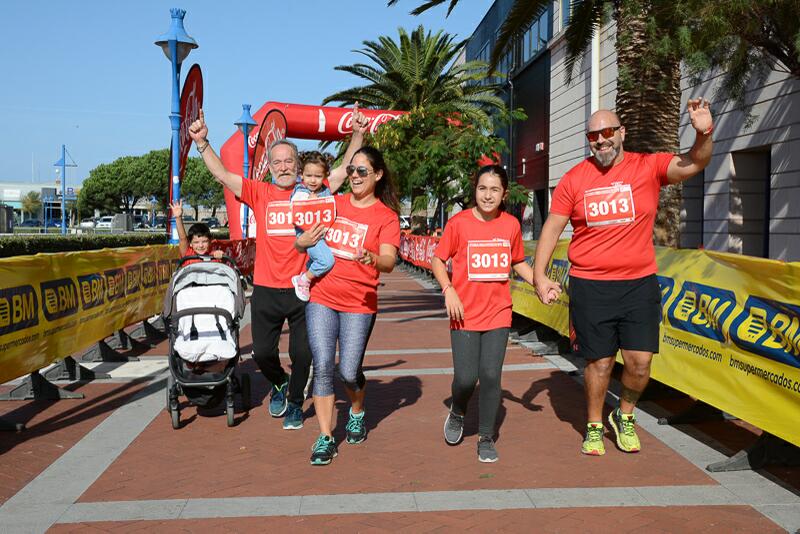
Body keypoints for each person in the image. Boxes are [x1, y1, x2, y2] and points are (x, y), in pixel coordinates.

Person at [533, 99, 713, 456]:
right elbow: (552, 228)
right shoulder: (575, 179)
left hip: (638, 284)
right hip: (590, 284)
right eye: (593, 135)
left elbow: (695, 162)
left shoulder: (647, 166)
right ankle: (595, 426)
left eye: (607, 132)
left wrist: (703, 131)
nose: (600, 140)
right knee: (599, 362)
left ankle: (625, 415)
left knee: (640, 362)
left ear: (621, 133)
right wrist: (539, 276)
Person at [188, 104, 369, 431]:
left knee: (303, 354)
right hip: (267, 287)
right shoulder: (259, 191)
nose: (283, 167)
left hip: (305, 287)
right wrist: (202, 143)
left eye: (289, 161)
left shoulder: (317, 190)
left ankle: (296, 404)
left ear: (298, 166)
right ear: (269, 167)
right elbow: (223, 175)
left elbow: (343, 169)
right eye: (277, 162)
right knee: (261, 353)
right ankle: (281, 383)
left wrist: (357, 134)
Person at [295, 146, 401, 465]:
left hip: (359, 302)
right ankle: (326, 437)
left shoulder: (386, 216)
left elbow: (390, 260)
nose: (354, 176)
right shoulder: (333, 203)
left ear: (377, 175)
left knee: (348, 371)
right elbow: (302, 234)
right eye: (351, 170)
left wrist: (374, 259)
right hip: (322, 297)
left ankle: (356, 409)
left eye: (362, 171)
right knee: (324, 365)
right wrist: (300, 242)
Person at [431, 165, 535, 463]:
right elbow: (438, 260)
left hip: (498, 312)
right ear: (474, 190)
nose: (487, 195)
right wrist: (448, 289)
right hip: (463, 313)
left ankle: (486, 437)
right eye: (482, 188)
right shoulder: (459, 223)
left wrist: (541, 284)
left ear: (503, 194)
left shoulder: (511, 225)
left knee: (490, 376)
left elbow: (518, 262)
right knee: (466, 378)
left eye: (494, 190)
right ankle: (458, 410)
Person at [290, 151, 335, 301]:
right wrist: (309, 201)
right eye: (309, 176)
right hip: (309, 235)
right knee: (327, 261)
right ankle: (304, 280)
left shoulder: (326, 191)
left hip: (322, 233)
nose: (313, 181)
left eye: (318, 176)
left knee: (322, 258)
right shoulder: (300, 191)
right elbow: (296, 206)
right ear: (301, 175)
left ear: (325, 176)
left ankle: (308, 273)